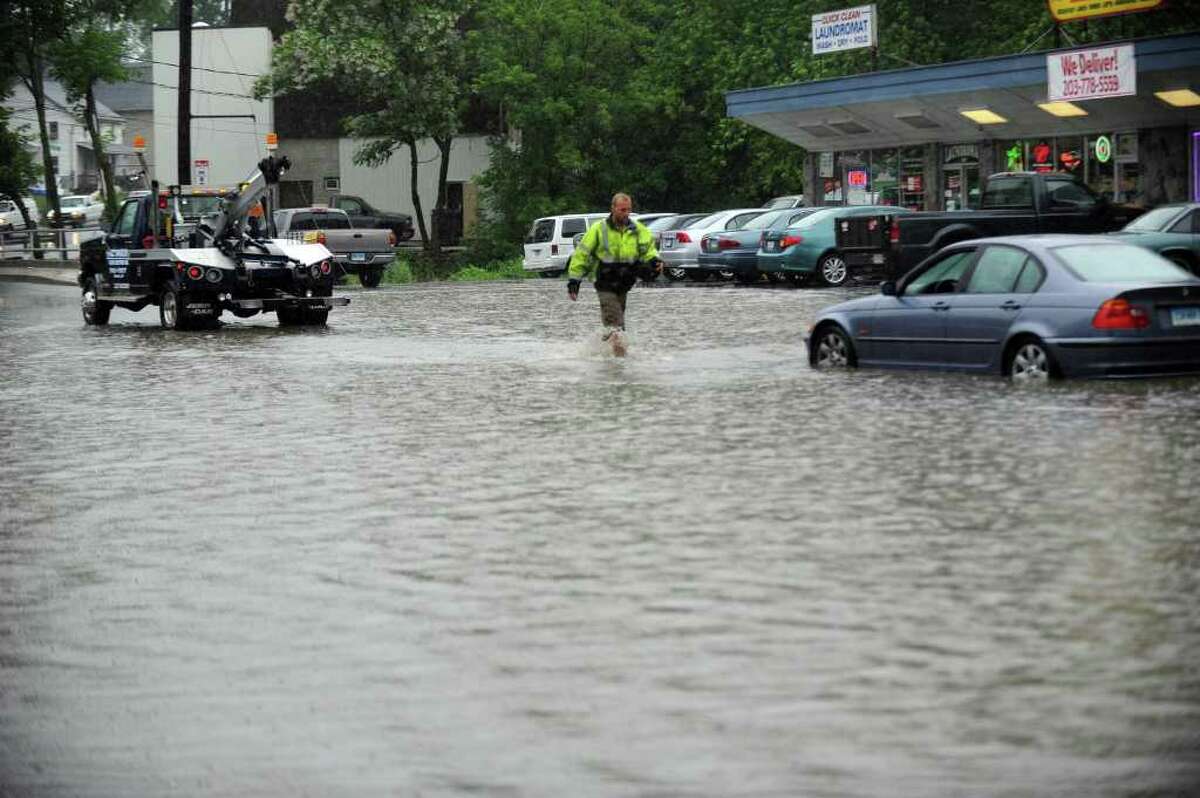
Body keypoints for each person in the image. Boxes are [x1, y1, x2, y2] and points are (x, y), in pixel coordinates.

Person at [566, 193, 663, 353]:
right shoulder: (599, 229)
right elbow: (581, 254)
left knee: (617, 326)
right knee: (616, 324)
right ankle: (618, 365)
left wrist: (654, 260)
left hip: (624, 284)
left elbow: (649, 250)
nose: (626, 214)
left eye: (629, 210)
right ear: (613, 209)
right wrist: (574, 281)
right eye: (622, 210)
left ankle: (601, 352)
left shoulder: (638, 230)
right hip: (604, 283)